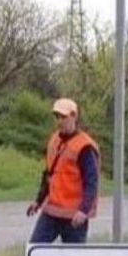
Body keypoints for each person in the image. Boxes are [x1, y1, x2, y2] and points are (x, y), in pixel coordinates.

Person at [26, 98, 100, 244]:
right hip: (52, 211)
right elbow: (48, 173)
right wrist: (38, 201)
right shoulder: (54, 140)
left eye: (64, 117)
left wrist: (83, 210)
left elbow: (91, 182)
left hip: (74, 216)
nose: (60, 121)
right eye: (57, 117)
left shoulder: (84, 146)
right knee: (36, 251)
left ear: (74, 116)